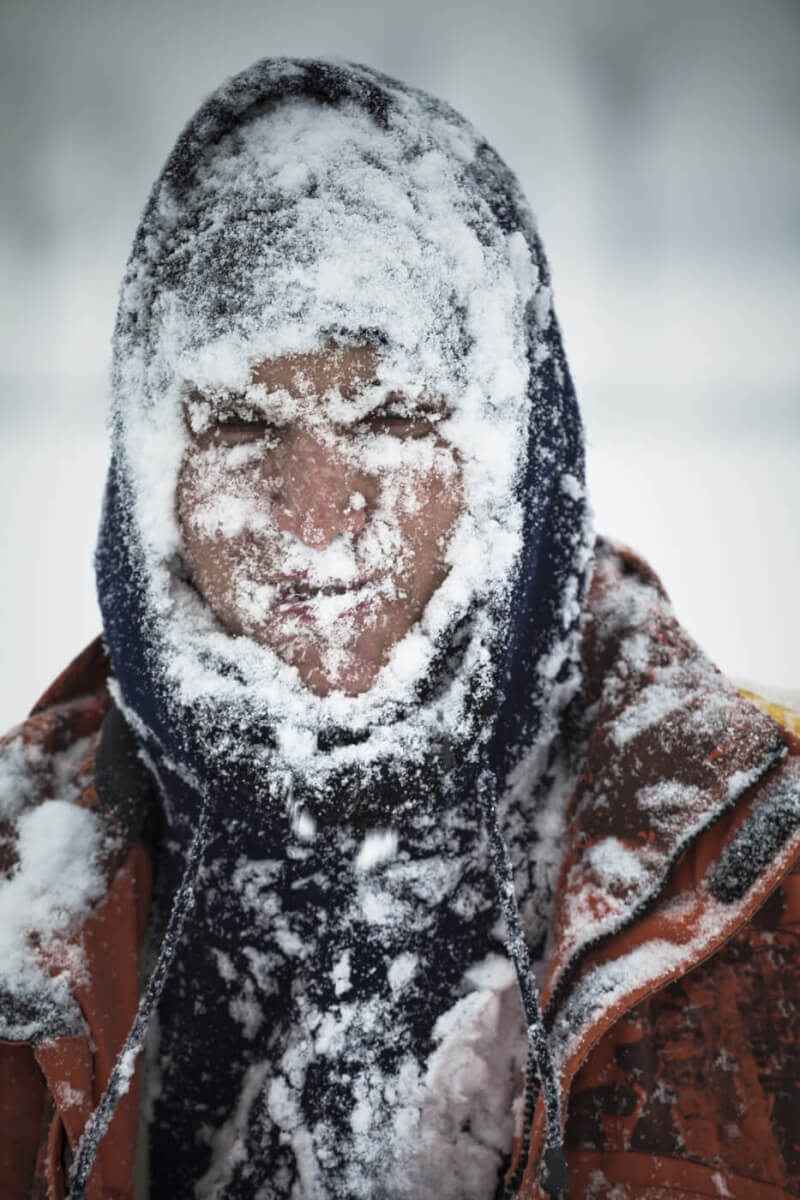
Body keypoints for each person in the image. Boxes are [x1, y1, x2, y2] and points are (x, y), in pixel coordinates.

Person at [0, 57, 798, 1200]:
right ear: (151, 478)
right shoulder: (12, 874)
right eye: (235, 420)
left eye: (388, 413)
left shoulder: (753, 876)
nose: (315, 505)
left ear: (508, 460)